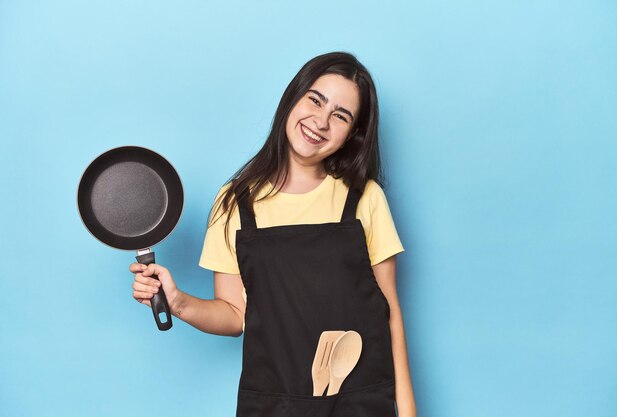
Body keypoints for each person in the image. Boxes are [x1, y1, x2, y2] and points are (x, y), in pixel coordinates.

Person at [129, 51, 417, 417]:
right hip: (272, 405)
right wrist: (178, 301)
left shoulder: (364, 198)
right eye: (315, 100)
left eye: (340, 116)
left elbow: (389, 312)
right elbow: (235, 315)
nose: (321, 121)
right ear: (292, 98)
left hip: (361, 402)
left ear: (352, 135)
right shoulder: (235, 201)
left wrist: (407, 410)